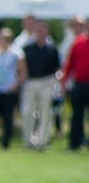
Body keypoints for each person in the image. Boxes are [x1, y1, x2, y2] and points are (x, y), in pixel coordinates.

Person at [20, 20, 60, 150]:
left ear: (47, 31)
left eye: (43, 29)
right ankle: (28, 141)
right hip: (30, 82)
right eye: (38, 30)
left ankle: (42, 141)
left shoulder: (52, 49)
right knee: (27, 112)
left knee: (45, 113)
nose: (40, 32)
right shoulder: (27, 48)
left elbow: (56, 68)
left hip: (46, 82)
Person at [58, 16, 89, 151]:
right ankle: (74, 143)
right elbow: (69, 65)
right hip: (79, 84)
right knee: (77, 115)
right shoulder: (78, 43)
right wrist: (64, 83)